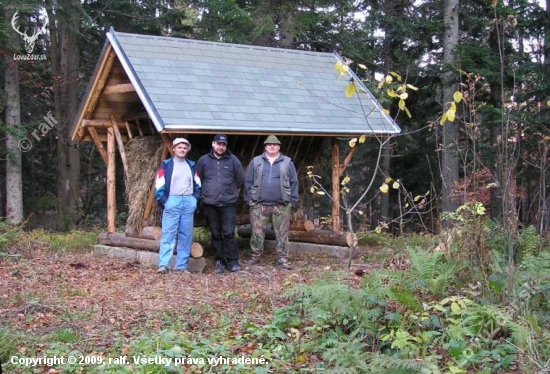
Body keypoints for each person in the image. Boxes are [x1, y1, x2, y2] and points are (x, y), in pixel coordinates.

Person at [243, 135, 298, 270]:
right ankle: (256, 257)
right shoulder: (256, 161)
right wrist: (248, 198)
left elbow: (294, 182)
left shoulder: (287, 162)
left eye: (275, 144)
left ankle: (282, 259)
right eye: (269, 145)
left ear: (279, 147)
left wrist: (293, 201)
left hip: (282, 205)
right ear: (265, 147)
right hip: (259, 204)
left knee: (282, 233)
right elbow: (248, 181)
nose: (272, 146)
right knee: (257, 232)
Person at [196, 134, 245, 273]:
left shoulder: (233, 160)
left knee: (229, 232)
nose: (221, 147)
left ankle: (233, 262)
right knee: (216, 233)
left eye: (223, 145)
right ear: (213, 144)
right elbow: (198, 180)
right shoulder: (203, 161)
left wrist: (232, 193)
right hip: (210, 204)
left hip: (228, 204)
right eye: (218, 144)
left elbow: (241, 180)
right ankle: (219, 260)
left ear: (226, 146)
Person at [154, 137, 201, 274]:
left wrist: (194, 200)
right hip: (172, 201)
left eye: (185, 148)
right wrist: (164, 201)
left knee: (185, 235)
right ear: (174, 149)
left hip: (188, 201)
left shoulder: (191, 165)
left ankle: (181, 266)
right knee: (168, 234)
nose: (182, 150)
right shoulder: (166, 165)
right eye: (179, 147)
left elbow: (198, 185)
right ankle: (163, 265)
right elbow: (159, 185)